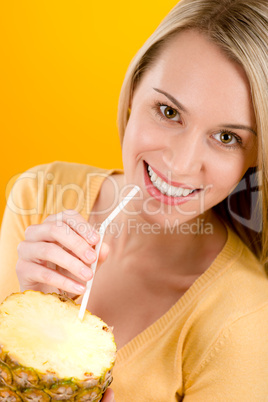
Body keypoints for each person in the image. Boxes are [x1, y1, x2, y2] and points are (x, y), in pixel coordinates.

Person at [0, 0, 268, 400]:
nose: (180, 164)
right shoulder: (40, 193)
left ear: (254, 157)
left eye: (227, 137)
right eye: (168, 111)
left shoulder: (245, 320)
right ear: (132, 92)